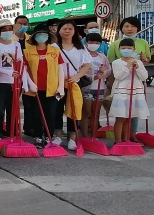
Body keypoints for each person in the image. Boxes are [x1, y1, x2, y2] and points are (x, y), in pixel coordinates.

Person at [22, 23, 65, 148]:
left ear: (48, 36)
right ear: (34, 37)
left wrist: (61, 86)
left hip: (52, 88)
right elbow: (24, 69)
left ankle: (48, 136)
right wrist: (30, 83)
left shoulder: (55, 51)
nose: (41, 36)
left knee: (50, 114)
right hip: (34, 89)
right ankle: (38, 137)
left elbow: (60, 69)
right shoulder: (27, 51)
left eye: (44, 34)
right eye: (39, 34)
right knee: (36, 114)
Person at [57, 19, 92, 150]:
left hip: (74, 84)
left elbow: (86, 65)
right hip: (57, 84)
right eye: (64, 29)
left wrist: (76, 77)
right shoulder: (54, 47)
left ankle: (72, 138)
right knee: (56, 110)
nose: (67, 31)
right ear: (59, 31)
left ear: (74, 31)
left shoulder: (80, 48)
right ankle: (57, 136)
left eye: (70, 29)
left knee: (74, 110)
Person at [0, 19, 23, 142]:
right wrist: (8, 72)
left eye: (9, 29)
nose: (7, 32)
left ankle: (11, 132)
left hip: (14, 82)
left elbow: (21, 61)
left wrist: (20, 77)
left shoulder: (16, 45)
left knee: (13, 109)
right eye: (4, 30)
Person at [110, 38, 149, 143]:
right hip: (122, 92)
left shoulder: (138, 62)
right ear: (119, 49)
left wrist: (137, 67)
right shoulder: (116, 63)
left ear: (134, 49)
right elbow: (118, 76)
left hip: (135, 92)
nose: (126, 50)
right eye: (123, 48)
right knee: (121, 117)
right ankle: (117, 141)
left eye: (129, 48)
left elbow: (144, 77)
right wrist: (127, 66)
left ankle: (126, 140)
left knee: (129, 118)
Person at [80, 33, 110, 138]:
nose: (94, 44)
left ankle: (93, 136)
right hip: (86, 88)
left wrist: (103, 73)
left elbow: (108, 70)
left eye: (97, 42)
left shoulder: (102, 57)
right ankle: (84, 136)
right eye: (91, 42)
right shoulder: (83, 56)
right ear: (86, 42)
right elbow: (80, 72)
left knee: (95, 113)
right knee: (86, 113)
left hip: (99, 88)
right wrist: (95, 77)